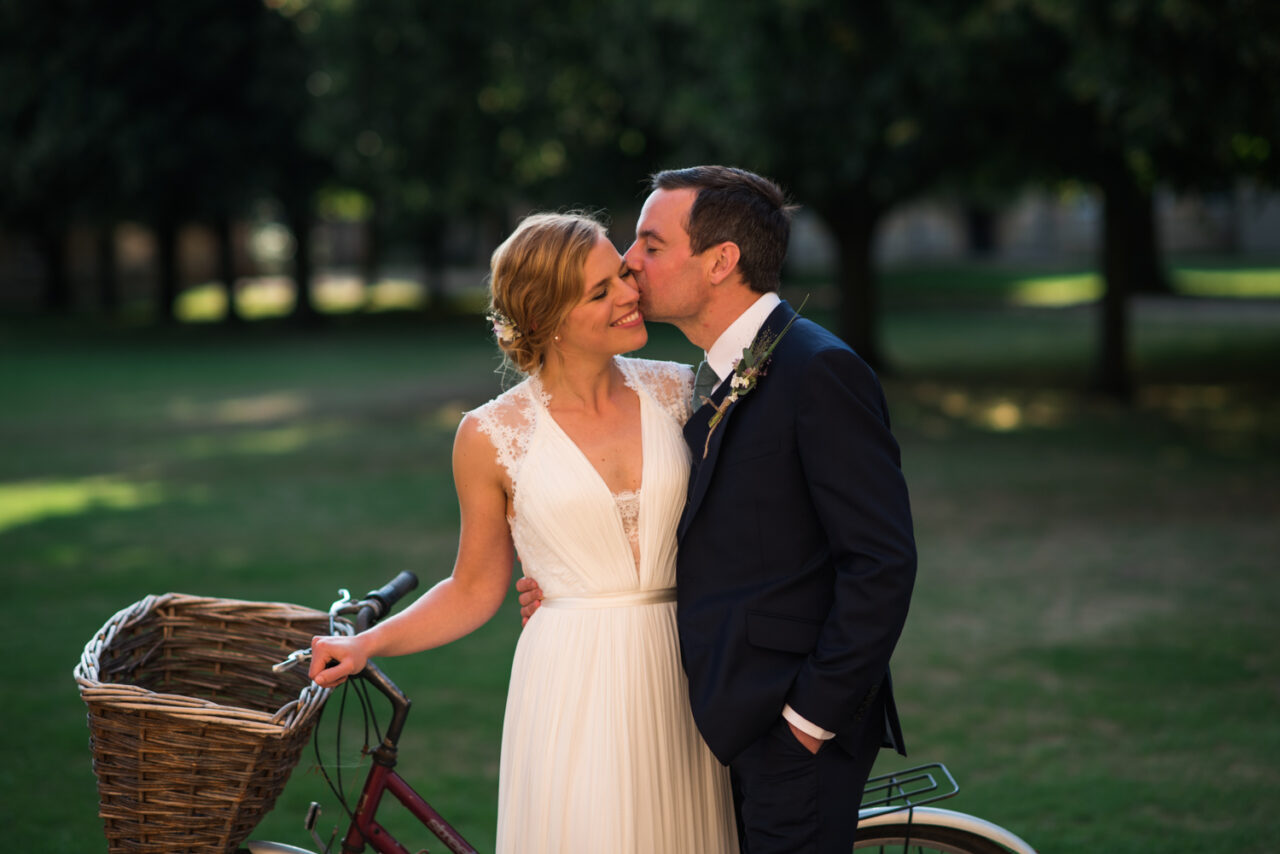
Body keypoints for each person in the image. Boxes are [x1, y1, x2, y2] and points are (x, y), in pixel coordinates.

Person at [308, 211, 737, 853]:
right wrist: (369, 643)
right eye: (601, 292)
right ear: (546, 321)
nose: (629, 293)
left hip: (689, 670)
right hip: (573, 679)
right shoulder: (489, 437)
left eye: (621, 274)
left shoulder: (678, 391)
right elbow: (475, 586)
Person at [518, 166, 917, 853]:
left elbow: (881, 562)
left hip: (794, 731)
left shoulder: (817, 370)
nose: (628, 261)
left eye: (650, 243)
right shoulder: (718, 376)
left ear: (721, 261)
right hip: (728, 721)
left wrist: (807, 719)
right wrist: (578, 584)